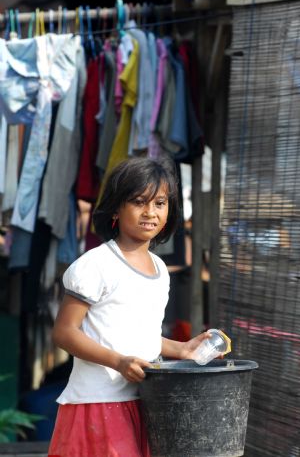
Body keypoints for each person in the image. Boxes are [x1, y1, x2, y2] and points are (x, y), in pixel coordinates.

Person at [48, 156, 211, 457]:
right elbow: (64, 333)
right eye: (139, 202)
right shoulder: (95, 265)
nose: (150, 212)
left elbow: (135, 333)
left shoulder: (160, 270)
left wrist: (184, 349)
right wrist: (118, 362)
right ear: (116, 208)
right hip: (97, 403)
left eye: (160, 203)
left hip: (145, 402)